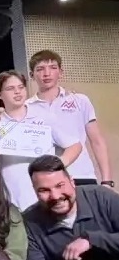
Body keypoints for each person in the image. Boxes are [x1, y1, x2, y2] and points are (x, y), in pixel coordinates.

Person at [0, 70, 83, 210]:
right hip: (12, 197)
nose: (17, 92)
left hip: (47, 195)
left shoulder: (45, 117)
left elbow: (75, 145)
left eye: (21, 87)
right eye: (10, 88)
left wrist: (56, 165)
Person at [27, 49, 112, 187]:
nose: (47, 73)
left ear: (61, 72)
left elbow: (97, 141)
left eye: (53, 68)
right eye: (40, 69)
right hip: (46, 178)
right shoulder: (26, 108)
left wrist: (106, 181)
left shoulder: (80, 100)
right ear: (32, 75)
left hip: (83, 175)